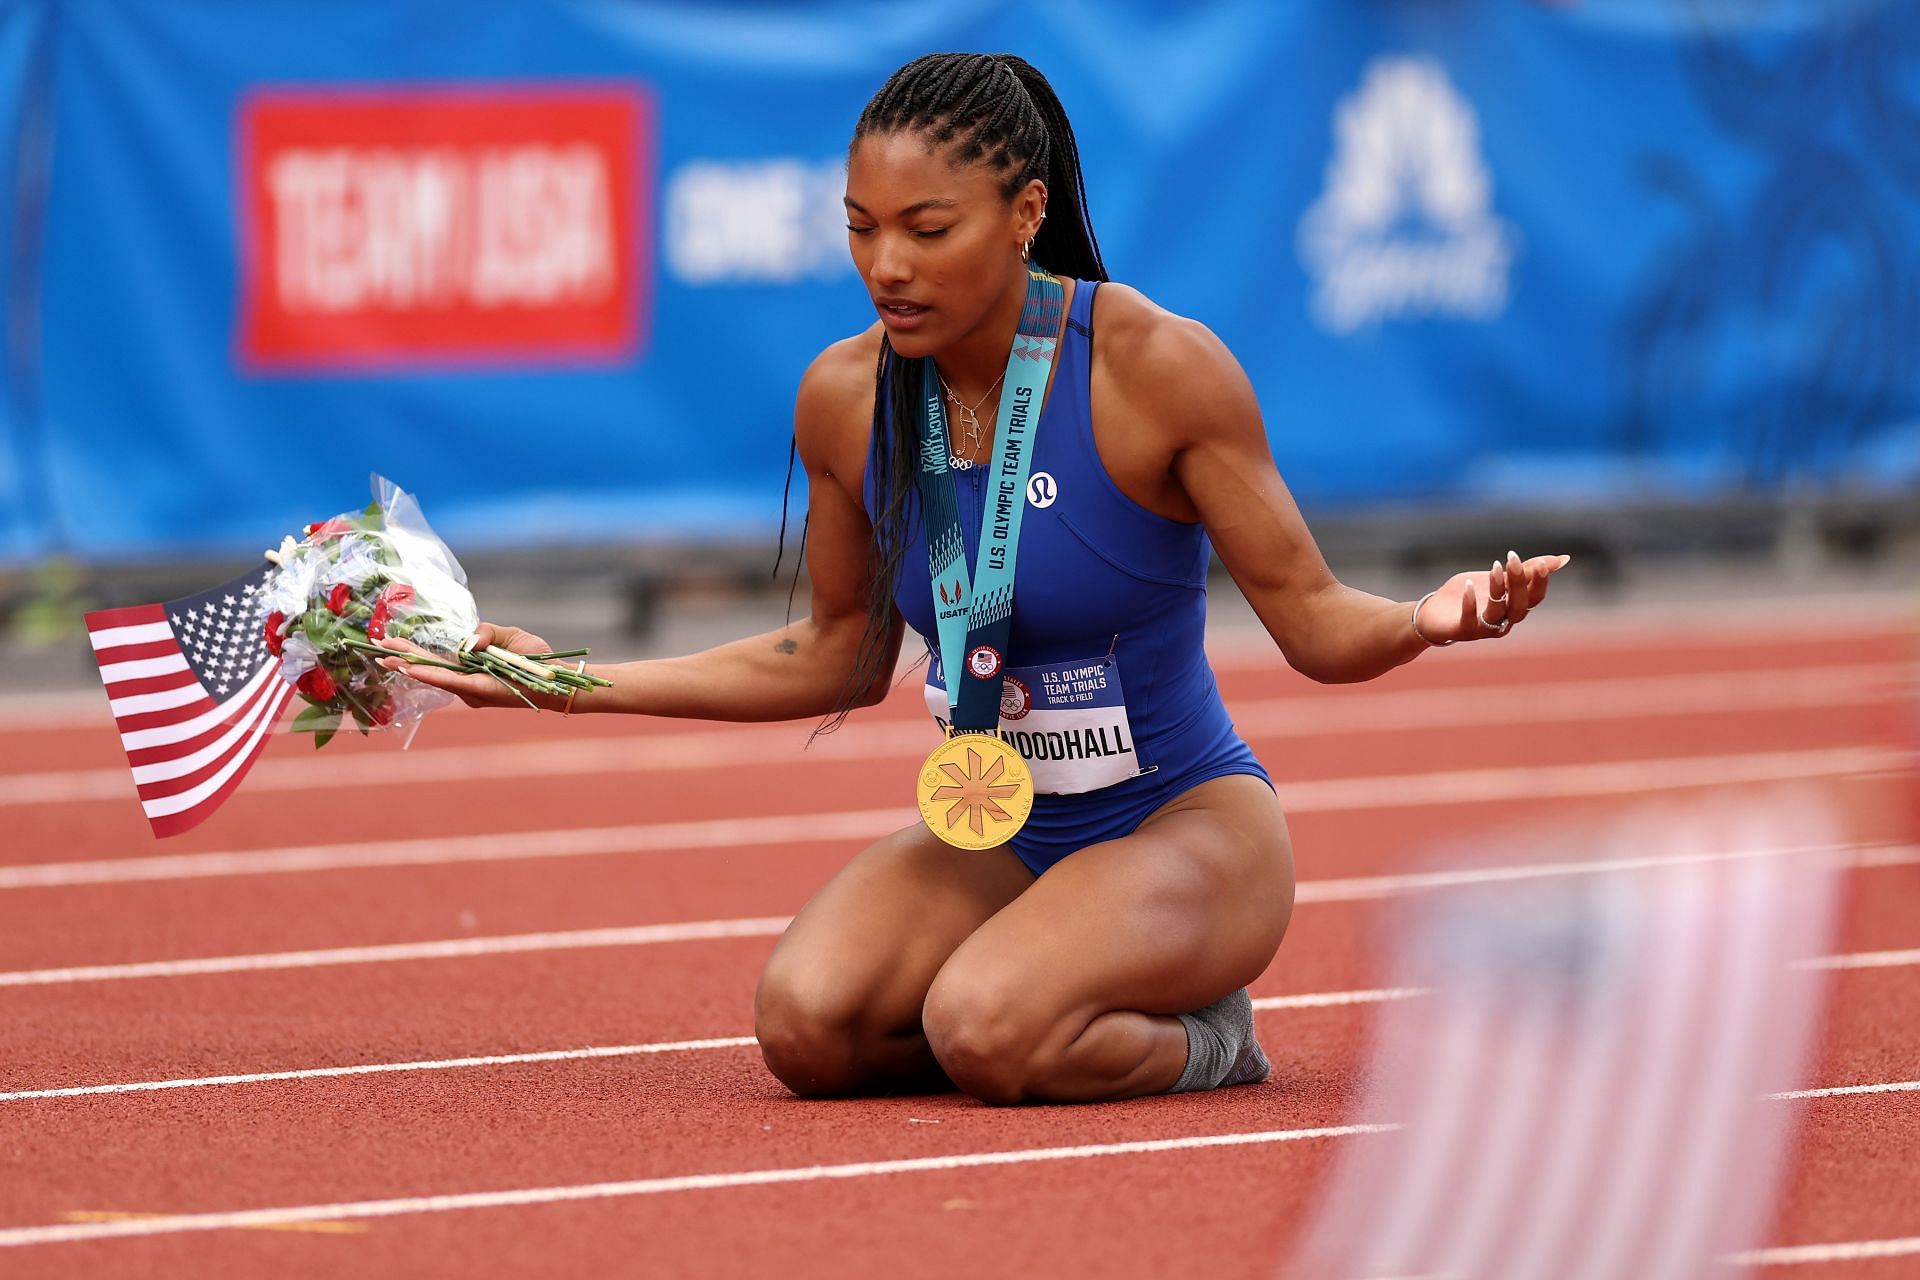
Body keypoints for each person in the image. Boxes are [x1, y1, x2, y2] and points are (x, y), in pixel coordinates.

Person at [380, 52, 1570, 1106]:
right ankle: (1041, 1002)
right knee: (808, 1025)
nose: (885, 265)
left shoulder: (1155, 368)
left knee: (986, 1025)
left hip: (1185, 828)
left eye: (926, 228)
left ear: (1023, 212)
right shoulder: (846, 396)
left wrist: (1429, 618)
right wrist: (558, 683)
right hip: (1002, 830)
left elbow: (1312, 622)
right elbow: (835, 648)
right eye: (860, 227)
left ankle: (1208, 1039)